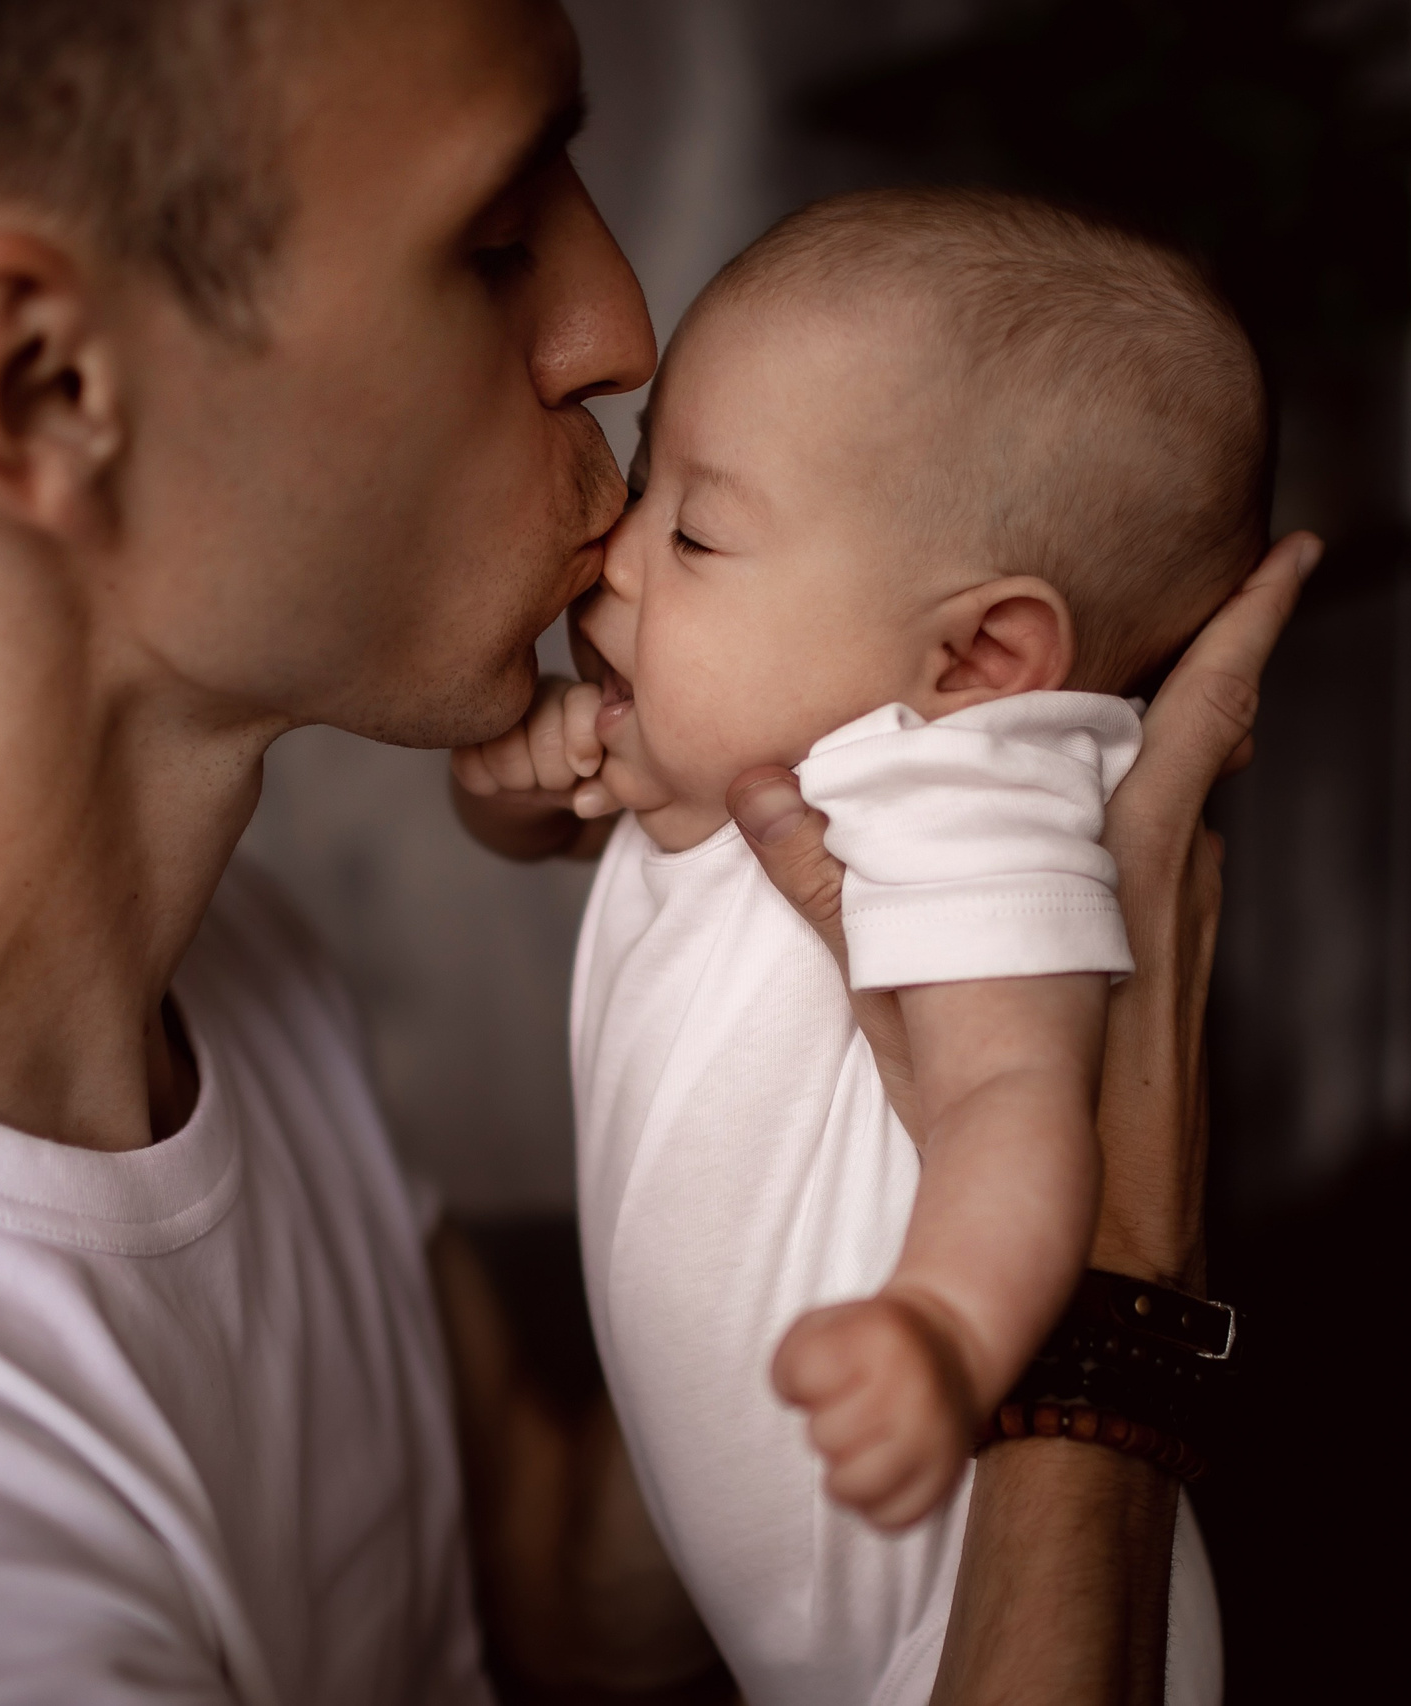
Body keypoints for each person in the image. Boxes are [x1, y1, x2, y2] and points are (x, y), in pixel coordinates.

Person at [0, 1, 1317, 1702]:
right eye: (493, 233)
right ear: (42, 389)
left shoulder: (226, 987)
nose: (619, 327)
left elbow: (543, 1566)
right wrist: (1104, 1273)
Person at [449, 188, 1269, 1705]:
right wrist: (516, 782)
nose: (617, 555)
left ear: (972, 660)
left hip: (963, 1583)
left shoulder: (960, 794)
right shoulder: (752, 744)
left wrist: (951, 1330)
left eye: (694, 528)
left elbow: (1017, 1101)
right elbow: (559, 834)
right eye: (647, 485)